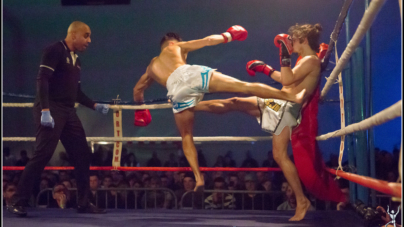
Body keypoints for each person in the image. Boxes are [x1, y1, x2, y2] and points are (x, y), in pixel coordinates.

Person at [133, 26, 305, 192]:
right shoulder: (175, 46)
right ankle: (291, 97)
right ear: (172, 42)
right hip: (189, 75)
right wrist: (228, 35)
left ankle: (198, 178)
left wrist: (141, 109)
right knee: (244, 86)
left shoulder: (150, 69)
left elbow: (137, 91)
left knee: (186, 136)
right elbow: (207, 41)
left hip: (175, 91)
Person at [195, 23, 339, 221]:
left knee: (279, 154)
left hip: (285, 108)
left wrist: (283, 52)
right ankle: (192, 105)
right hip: (280, 104)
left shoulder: (311, 60)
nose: (290, 43)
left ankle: (302, 200)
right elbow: (285, 78)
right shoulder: (305, 60)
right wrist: (265, 68)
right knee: (236, 102)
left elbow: (288, 81)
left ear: (303, 40)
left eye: (292, 40)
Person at [7, 21, 108, 217]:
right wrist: (45, 109)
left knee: (82, 154)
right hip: (51, 107)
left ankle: (84, 203)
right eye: (86, 36)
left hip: (68, 111)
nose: (89, 40)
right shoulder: (54, 50)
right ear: (74, 35)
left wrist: (95, 106)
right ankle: (17, 200)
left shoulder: (76, 60)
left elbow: (76, 92)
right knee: (43, 154)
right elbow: (42, 79)